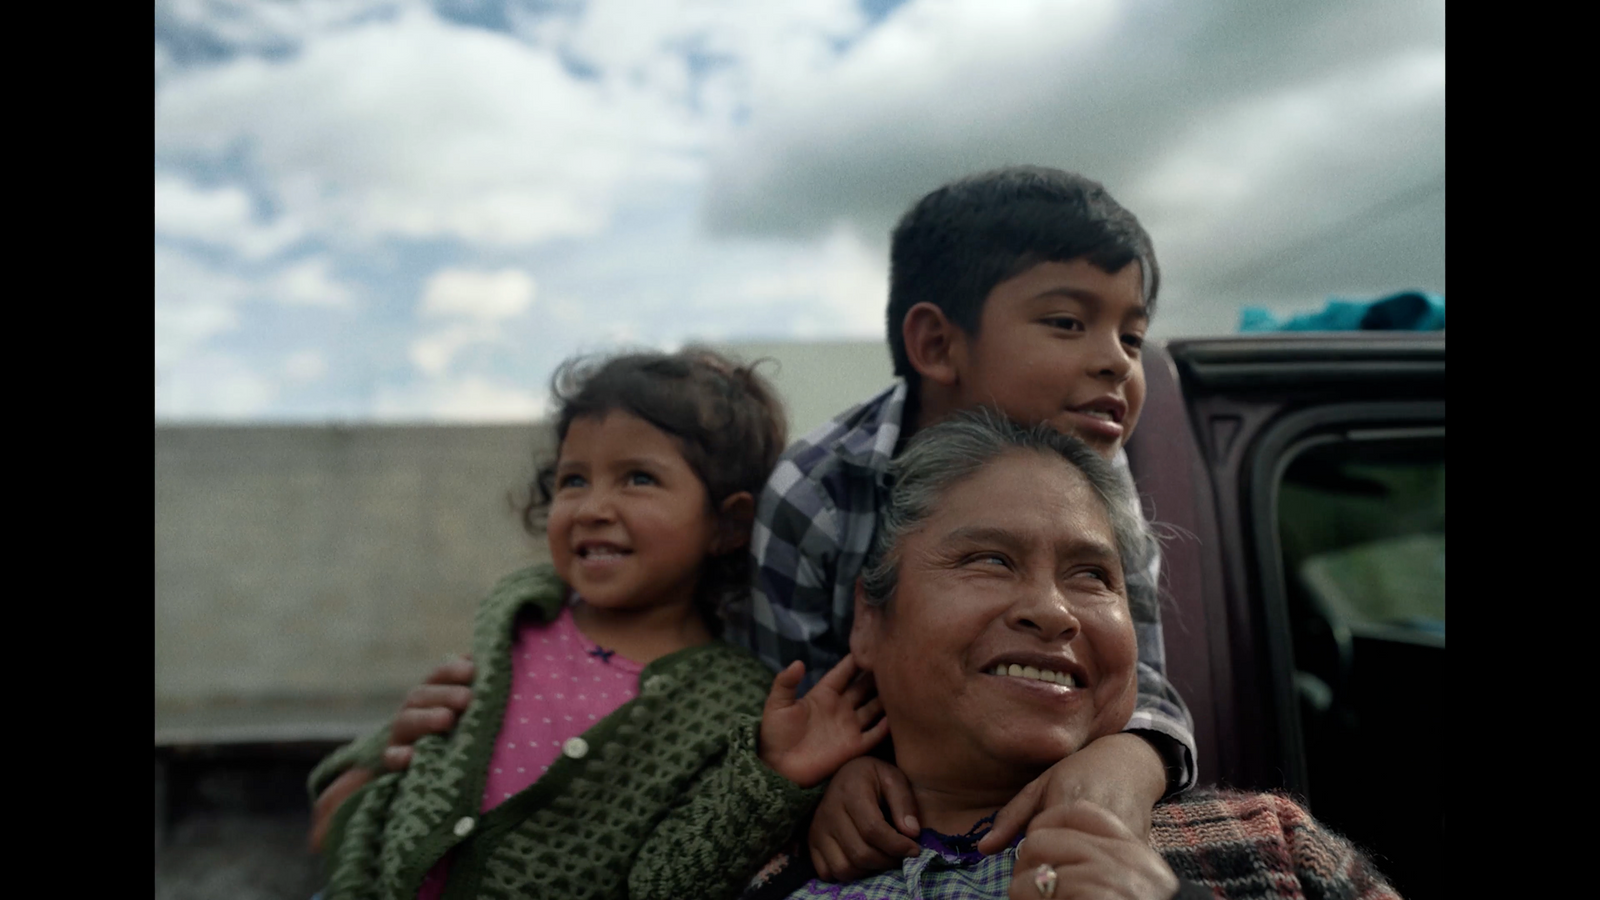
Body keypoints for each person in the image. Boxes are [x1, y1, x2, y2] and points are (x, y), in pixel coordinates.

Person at [727, 166, 1196, 879]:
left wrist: (1129, 758)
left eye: (1132, 338)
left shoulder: (1099, 476)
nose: (1115, 362)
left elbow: (1141, 681)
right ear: (938, 344)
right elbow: (777, 693)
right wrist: (825, 784)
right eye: (1069, 323)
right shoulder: (818, 491)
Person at [739, 411, 1399, 900]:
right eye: (991, 560)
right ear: (869, 619)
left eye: (1092, 575)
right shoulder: (770, 875)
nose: (1052, 610)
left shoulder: (1271, 850)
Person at [306, 348, 889, 900]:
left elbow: (668, 881)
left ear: (729, 525)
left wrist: (772, 778)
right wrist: (363, 766)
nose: (592, 507)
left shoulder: (733, 700)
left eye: (638, 478)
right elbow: (444, 725)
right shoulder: (523, 609)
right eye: (573, 480)